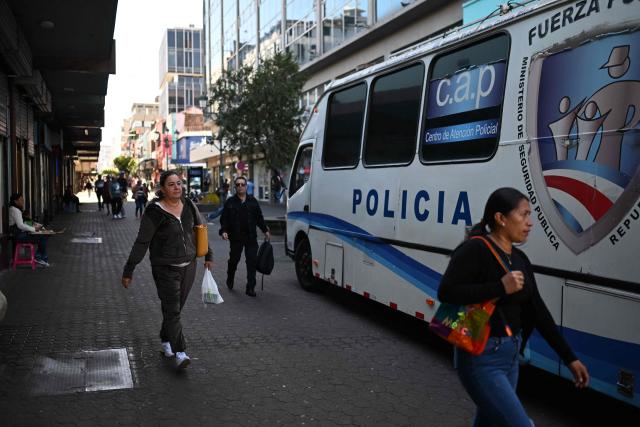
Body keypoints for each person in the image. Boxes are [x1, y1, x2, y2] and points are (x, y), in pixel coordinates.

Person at [437, 187, 589, 427]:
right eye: (524, 215)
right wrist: (499, 287)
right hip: (480, 356)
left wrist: (569, 358)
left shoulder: (520, 259)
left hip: (511, 356)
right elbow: (446, 292)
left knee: (489, 422)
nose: (530, 223)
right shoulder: (475, 249)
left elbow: (537, 310)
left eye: (530, 216)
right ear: (501, 218)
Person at [122, 170, 213, 369]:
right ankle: (180, 352)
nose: (177, 187)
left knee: (175, 309)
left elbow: (201, 229)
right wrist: (129, 269)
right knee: (172, 310)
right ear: (162, 189)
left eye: (179, 183)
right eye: (171, 184)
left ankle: (165, 340)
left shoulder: (189, 205)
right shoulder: (154, 211)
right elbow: (142, 241)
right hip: (165, 268)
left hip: (189, 266)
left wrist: (208, 255)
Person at [219, 176, 270, 297]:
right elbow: (224, 219)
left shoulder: (253, 201)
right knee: (234, 260)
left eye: (242, 184)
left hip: (251, 237)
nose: (240, 186)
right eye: (238, 185)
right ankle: (230, 278)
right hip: (236, 237)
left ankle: (250, 287)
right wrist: (224, 231)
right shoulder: (230, 202)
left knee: (251, 262)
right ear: (235, 187)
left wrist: (265, 230)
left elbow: (259, 217)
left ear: (246, 186)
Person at [9, 193, 50, 267]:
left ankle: (40, 257)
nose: (23, 201)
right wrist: (34, 229)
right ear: (15, 201)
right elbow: (20, 225)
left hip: (20, 234)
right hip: (19, 236)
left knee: (44, 235)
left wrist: (36, 225)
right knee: (42, 237)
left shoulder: (15, 209)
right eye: (21, 200)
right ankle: (40, 257)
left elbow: (24, 222)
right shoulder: (15, 210)